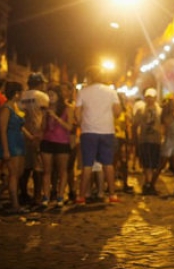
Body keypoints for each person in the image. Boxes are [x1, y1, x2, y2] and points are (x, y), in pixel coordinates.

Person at [75, 67, 121, 204]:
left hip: (88, 131)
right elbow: (118, 112)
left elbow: (77, 114)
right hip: (107, 131)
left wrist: (82, 122)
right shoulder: (111, 92)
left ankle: (81, 196)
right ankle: (112, 195)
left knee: (87, 164)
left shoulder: (83, 92)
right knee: (108, 164)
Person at [0, 81, 33, 214]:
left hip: (18, 142)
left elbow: (20, 125)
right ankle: (15, 204)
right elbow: (3, 130)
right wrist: (5, 150)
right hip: (11, 143)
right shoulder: (6, 109)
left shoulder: (14, 107)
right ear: (16, 94)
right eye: (21, 92)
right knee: (14, 175)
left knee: (17, 174)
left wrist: (30, 137)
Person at [40, 85, 74, 206]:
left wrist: (55, 117)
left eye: (52, 95)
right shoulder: (47, 108)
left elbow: (69, 127)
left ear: (58, 96)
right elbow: (43, 128)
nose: (50, 97)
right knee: (47, 171)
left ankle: (60, 196)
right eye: (48, 95)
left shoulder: (68, 109)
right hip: (47, 141)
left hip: (62, 142)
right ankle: (45, 197)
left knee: (62, 171)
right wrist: (44, 116)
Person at [20, 72, 49, 205]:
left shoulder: (22, 96)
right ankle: (37, 196)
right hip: (38, 134)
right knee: (38, 166)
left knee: (25, 166)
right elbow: (45, 115)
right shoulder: (42, 96)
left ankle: (24, 193)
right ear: (40, 83)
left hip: (24, 134)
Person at [134, 88, 162, 195]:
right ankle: (149, 184)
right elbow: (135, 125)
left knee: (154, 164)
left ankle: (148, 184)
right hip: (144, 140)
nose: (149, 100)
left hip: (156, 140)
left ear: (155, 98)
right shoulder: (140, 110)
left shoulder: (160, 110)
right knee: (146, 163)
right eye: (148, 97)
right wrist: (135, 139)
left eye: (152, 97)